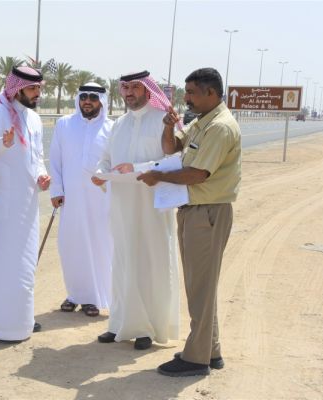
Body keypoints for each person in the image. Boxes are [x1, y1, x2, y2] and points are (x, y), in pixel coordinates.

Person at [137, 68, 241, 376]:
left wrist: (159, 177)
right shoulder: (201, 123)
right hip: (194, 210)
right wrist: (168, 128)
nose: (187, 98)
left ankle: (197, 359)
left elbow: (199, 174)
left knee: (200, 286)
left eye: (192, 92)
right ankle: (212, 349)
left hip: (208, 212)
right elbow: (173, 149)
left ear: (211, 93)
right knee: (201, 285)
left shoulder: (220, 127)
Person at [92, 70, 180, 350]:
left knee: (147, 262)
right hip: (122, 205)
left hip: (152, 207)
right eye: (125, 87)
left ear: (147, 90)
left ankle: (146, 327)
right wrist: (100, 173)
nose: (129, 93)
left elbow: (175, 158)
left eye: (135, 87)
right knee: (122, 262)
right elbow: (106, 158)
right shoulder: (119, 124)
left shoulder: (163, 122)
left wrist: (138, 169)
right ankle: (119, 323)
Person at [0, 66, 50, 341]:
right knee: (2, 263)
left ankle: (21, 319)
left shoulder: (34, 119)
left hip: (27, 203)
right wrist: (3, 144)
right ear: (18, 89)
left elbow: (37, 155)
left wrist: (42, 175)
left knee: (25, 262)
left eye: (39, 88)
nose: (38, 94)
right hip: (4, 203)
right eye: (33, 89)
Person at [49, 82, 113, 317]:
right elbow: (55, 159)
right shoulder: (64, 125)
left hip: (100, 200)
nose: (88, 101)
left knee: (98, 246)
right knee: (71, 246)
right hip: (71, 199)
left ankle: (93, 298)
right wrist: (56, 189)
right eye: (84, 97)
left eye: (93, 98)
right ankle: (75, 295)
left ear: (101, 102)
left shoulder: (111, 128)